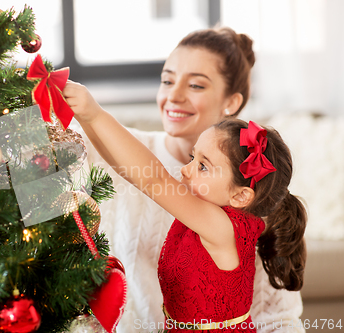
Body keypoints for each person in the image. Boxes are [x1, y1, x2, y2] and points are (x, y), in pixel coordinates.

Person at [68, 27, 306, 333]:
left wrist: (94, 112)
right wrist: (86, 120)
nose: (184, 170)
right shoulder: (210, 195)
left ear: (241, 196)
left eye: (203, 165)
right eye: (167, 80)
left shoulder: (222, 223)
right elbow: (130, 169)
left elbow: (153, 179)